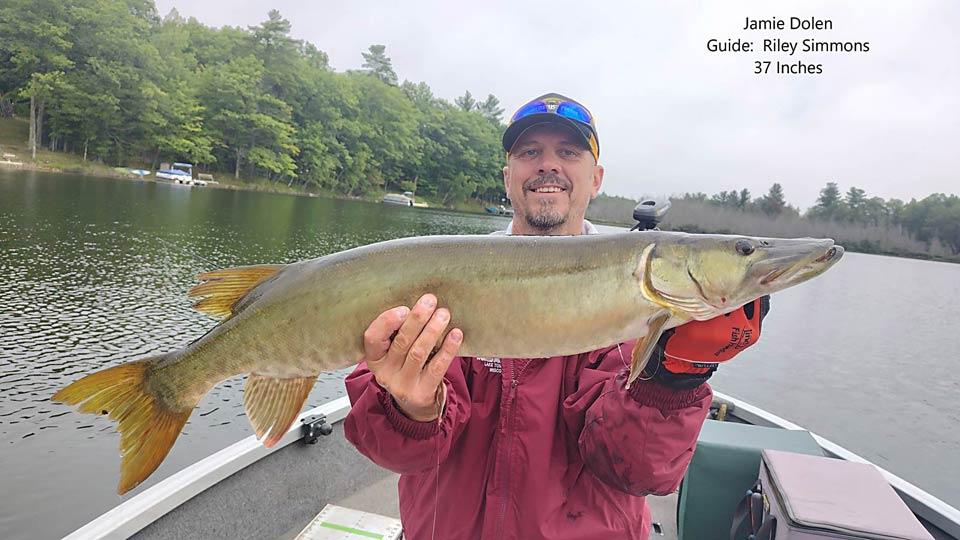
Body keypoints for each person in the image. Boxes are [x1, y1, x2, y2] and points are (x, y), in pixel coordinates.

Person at [344, 93, 769, 539]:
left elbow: (637, 470)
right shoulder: (441, 279)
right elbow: (394, 452)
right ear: (508, 177)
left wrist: (673, 378)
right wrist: (410, 407)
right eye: (530, 152)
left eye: (568, 152)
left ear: (596, 178)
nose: (548, 165)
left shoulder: (642, 308)